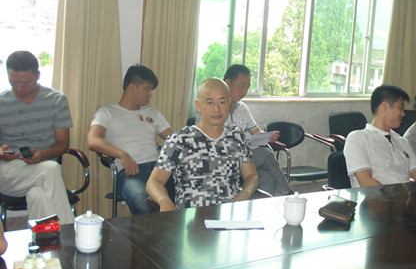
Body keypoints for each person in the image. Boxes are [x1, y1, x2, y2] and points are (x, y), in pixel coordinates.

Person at [146, 78, 259, 211]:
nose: (216, 109)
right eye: (210, 102)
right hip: (190, 217)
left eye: (222, 102)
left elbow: (251, 176)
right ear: (198, 105)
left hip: (229, 214)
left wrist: (245, 193)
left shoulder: (237, 137)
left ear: (229, 103)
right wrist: (164, 200)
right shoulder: (180, 140)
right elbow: (154, 182)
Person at [88, 65, 174, 215]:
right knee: (146, 209)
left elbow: (175, 139)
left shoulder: (152, 113)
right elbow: (93, 140)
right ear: (131, 87)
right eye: (147, 89)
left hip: (159, 169)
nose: (150, 95)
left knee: (185, 200)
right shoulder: (107, 112)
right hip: (131, 172)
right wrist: (122, 154)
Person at [0, 51, 74, 224]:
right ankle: (69, 232)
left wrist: (43, 155)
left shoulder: (56, 100)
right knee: (51, 170)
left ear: (38, 76)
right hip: (8, 172)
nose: (19, 88)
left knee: (39, 195)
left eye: (25, 83)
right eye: (13, 82)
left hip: (43, 167)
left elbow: (63, 143)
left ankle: (45, 239)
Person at [195, 64, 291, 196]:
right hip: (220, 157)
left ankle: (262, 206)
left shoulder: (242, 108)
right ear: (228, 83)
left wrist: (267, 136)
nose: (244, 92)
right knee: (266, 153)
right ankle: (287, 191)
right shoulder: (209, 108)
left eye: (247, 88)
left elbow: (256, 132)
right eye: (241, 86)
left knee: (266, 177)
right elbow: (204, 138)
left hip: (243, 156)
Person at [344, 84, 416, 187]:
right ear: (385, 107)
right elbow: (365, 182)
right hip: (374, 196)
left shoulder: (402, 142)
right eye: (400, 108)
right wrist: (397, 196)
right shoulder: (358, 138)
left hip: (403, 195)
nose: (403, 114)